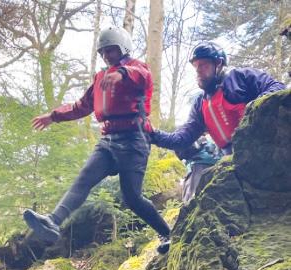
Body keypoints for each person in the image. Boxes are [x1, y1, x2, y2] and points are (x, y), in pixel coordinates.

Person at [23, 27, 172, 255]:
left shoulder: (136, 68)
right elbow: (82, 106)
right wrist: (53, 116)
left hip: (133, 140)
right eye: (102, 52)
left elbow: (142, 76)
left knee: (132, 198)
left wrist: (122, 73)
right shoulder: (101, 77)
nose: (106, 56)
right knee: (84, 179)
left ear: (122, 48)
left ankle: (167, 233)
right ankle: (53, 221)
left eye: (110, 50)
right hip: (108, 141)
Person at [149, 41, 286, 169]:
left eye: (204, 65)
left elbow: (277, 87)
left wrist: (253, 109)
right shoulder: (200, 104)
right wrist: (152, 134)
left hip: (269, 148)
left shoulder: (241, 77)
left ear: (219, 64)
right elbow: (182, 139)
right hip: (234, 162)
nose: (198, 70)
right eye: (196, 66)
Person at [176, 136, 221, 203]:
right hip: (216, 164)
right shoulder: (208, 138)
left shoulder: (194, 137)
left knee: (190, 198)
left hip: (198, 166)